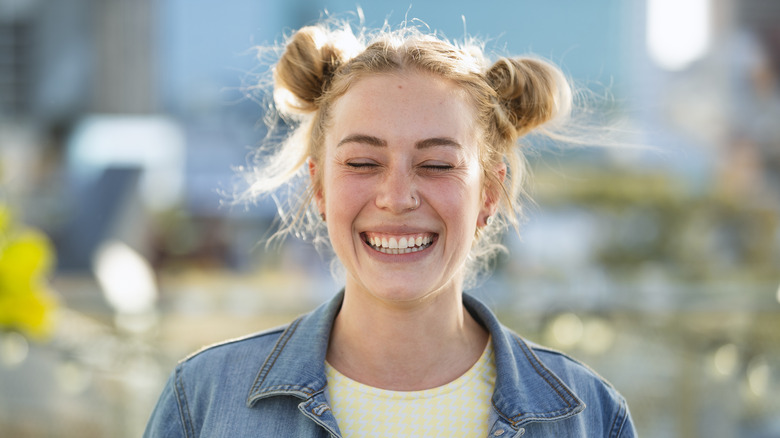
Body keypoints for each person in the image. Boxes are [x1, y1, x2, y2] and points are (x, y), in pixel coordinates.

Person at [144, 20, 637, 437]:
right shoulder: (203, 402)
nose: (397, 197)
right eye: (362, 162)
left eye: (438, 165)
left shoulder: (590, 417)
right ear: (319, 187)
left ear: (488, 191)